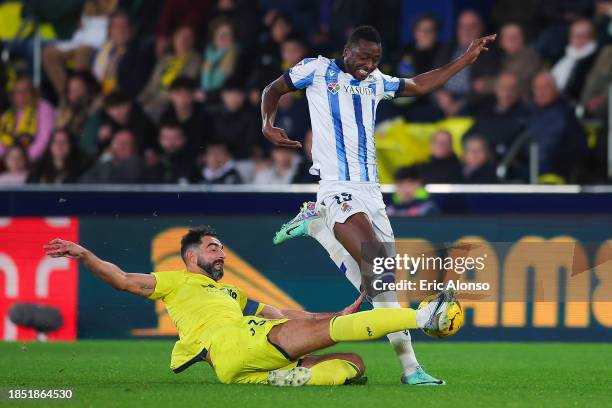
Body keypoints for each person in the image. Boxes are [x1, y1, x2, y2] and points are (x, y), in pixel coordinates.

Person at [262, 25, 495, 385]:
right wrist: (267, 123)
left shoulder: (376, 82)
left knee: (384, 289)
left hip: (371, 193)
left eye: (375, 60)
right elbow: (273, 89)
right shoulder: (317, 69)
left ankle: (411, 370)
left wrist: (465, 59)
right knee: (377, 268)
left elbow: (418, 84)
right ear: (347, 50)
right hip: (337, 188)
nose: (369, 65)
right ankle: (319, 223)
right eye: (364, 57)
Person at [43, 226, 456, 385]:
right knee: (327, 340)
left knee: (354, 364)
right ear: (190, 257)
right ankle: (425, 315)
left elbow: (283, 315)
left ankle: (285, 378)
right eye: (212, 248)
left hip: (235, 365)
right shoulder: (173, 281)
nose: (221, 254)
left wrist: (332, 316)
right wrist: (86, 255)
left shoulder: (232, 295)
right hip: (234, 343)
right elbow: (122, 280)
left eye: (222, 248)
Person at [0, 76, 55, 161]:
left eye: (26, 91)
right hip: (9, 161)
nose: (22, 95)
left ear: (34, 93)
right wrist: (8, 159)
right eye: (18, 92)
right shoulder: (8, 115)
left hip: (35, 160)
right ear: (13, 96)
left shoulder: (43, 107)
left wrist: (24, 158)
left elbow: (45, 138)